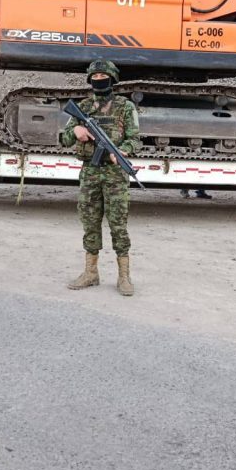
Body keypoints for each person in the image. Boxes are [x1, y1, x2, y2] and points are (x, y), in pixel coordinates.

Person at [60, 59, 141, 296]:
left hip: (115, 175)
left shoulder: (125, 107)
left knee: (118, 224)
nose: (98, 80)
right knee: (90, 222)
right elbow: (64, 138)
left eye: (102, 77)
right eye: (94, 77)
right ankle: (91, 273)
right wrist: (75, 131)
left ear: (112, 79)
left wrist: (123, 151)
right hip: (90, 173)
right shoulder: (82, 107)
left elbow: (135, 139)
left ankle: (124, 276)